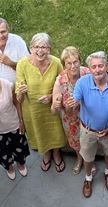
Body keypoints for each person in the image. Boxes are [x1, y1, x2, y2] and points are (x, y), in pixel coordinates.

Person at [73, 51, 108, 198]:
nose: (97, 70)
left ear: (106, 66)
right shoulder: (82, 83)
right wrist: (71, 103)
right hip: (88, 130)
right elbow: (75, 100)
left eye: (100, 66)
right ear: (89, 69)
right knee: (88, 157)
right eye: (94, 67)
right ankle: (88, 178)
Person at [16, 33, 66, 173]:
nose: (40, 50)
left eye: (44, 47)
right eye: (36, 47)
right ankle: (46, 153)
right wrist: (21, 91)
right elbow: (18, 98)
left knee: (55, 130)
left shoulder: (56, 63)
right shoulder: (22, 65)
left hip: (52, 108)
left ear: (49, 49)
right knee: (40, 132)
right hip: (32, 110)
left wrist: (51, 96)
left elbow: (64, 86)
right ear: (31, 48)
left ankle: (56, 153)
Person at [50, 46, 91, 175]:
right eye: (69, 63)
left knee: (89, 140)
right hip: (70, 118)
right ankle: (79, 159)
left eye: (75, 62)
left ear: (80, 62)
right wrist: (56, 104)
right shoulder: (60, 81)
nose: (73, 66)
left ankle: (89, 161)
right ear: (64, 65)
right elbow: (53, 110)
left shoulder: (87, 73)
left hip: (88, 113)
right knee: (75, 141)